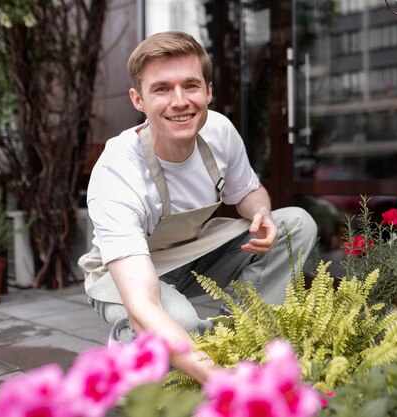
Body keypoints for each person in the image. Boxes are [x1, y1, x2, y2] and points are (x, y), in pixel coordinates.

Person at [78, 31, 317, 384]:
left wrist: (260, 213)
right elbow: (143, 300)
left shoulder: (219, 131)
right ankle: (130, 347)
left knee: (295, 223)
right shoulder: (117, 171)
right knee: (180, 324)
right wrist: (213, 377)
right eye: (161, 89)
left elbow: (249, 193)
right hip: (125, 273)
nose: (180, 101)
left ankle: (238, 340)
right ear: (138, 99)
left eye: (190, 86)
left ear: (208, 91)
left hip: (192, 252)